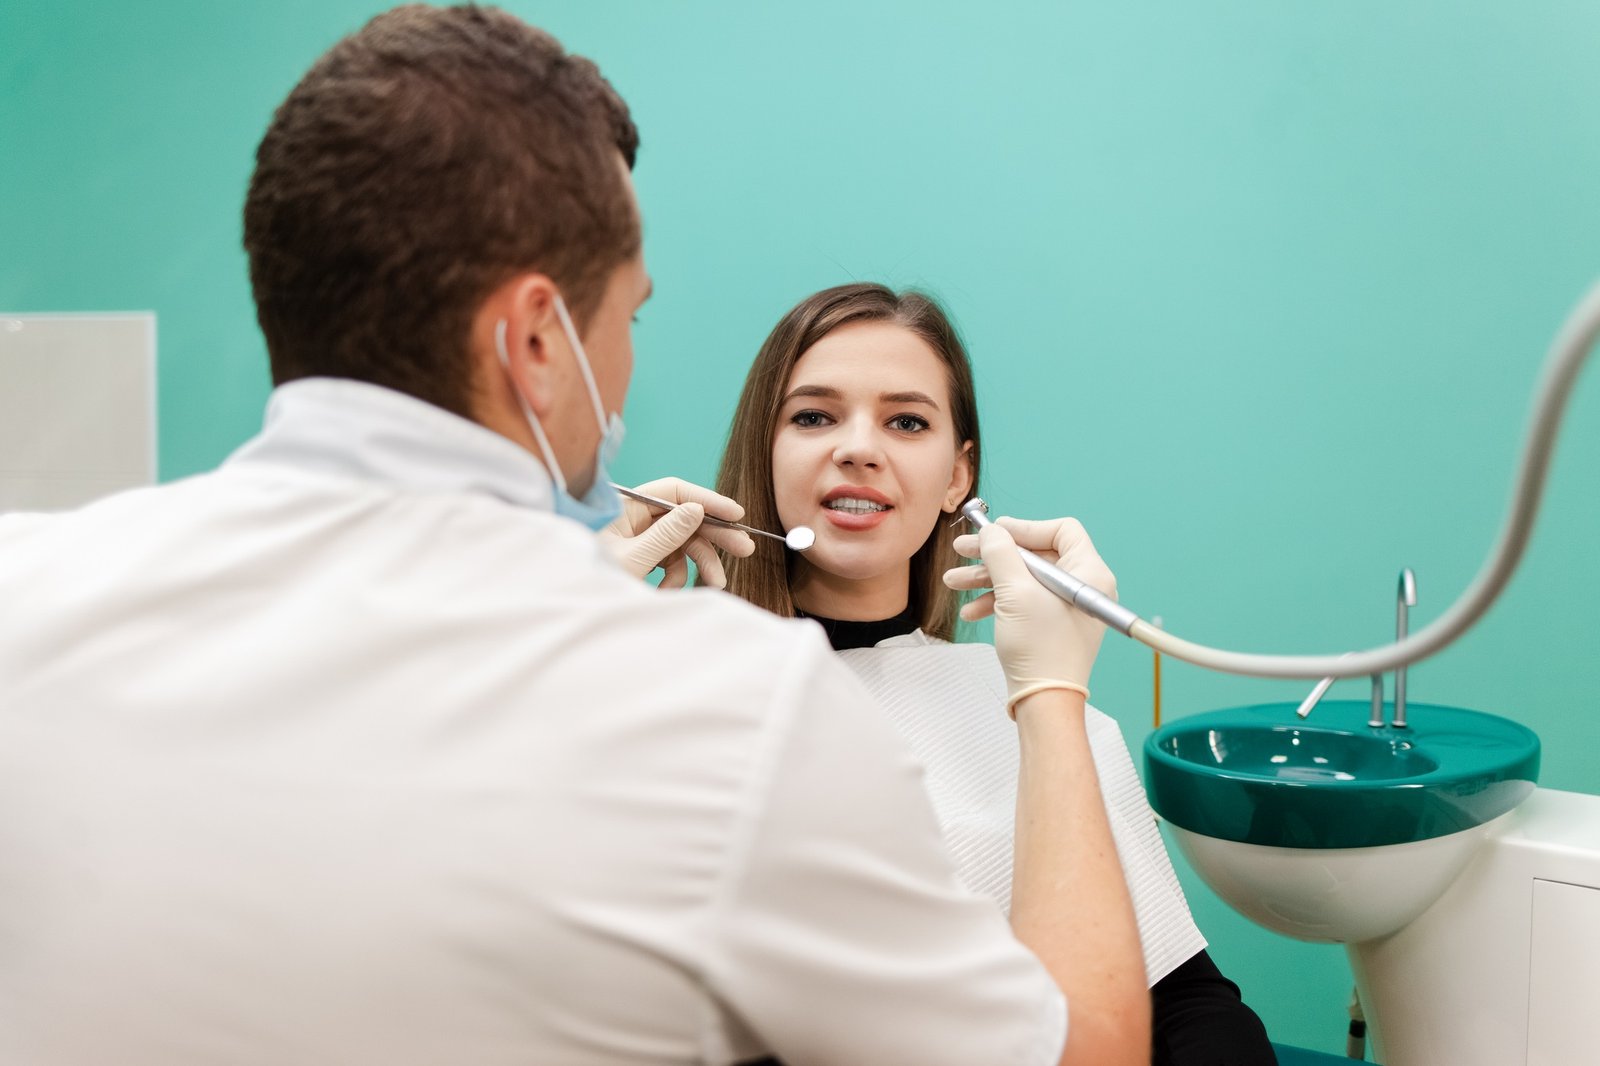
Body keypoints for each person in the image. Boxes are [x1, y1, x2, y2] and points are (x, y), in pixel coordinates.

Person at [0, 7, 1149, 1065]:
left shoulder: (22, 592)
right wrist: (1049, 692)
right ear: (538, 341)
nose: (858, 450)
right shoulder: (736, 712)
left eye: (905, 421)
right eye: (630, 315)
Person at [716, 283, 1277, 1065]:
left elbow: (1185, 1002)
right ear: (764, 450)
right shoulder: (699, 705)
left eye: (907, 421)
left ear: (957, 478)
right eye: (813, 415)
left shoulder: (1025, 697)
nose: (858, 447)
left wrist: (1051, 696)